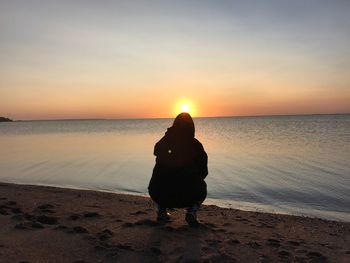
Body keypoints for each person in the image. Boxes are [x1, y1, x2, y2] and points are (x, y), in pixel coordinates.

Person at [148, 112, 208, 226]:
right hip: (187, 196)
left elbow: (155, 151)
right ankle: (191, 211)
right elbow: (204, 172)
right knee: (202, 186)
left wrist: (168, 135)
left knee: (159, 179)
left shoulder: (164, 142)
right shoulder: (196, 145)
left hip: (159, 193)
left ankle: (161, 212)